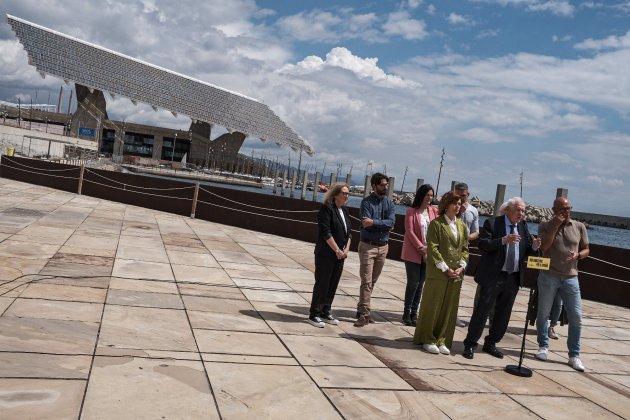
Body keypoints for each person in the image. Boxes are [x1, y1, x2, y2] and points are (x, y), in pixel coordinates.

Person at [462, 197, 540, 360]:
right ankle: (470, 344)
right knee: (482, 310)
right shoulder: (493, 223)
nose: (522, 213)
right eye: (518, 210)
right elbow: (483, 245)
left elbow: (526, 251)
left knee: (503, 314)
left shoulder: (523, 227)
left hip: (512, 277)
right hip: (493, 276)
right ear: (508, 210)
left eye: (524, 210)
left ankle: (491, 343)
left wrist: (534, 247)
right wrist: (503, 240)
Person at [534, 197, 589, 371]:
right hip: (548, 275)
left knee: (576, 317)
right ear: (554, 210)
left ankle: (574, 355)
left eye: (569, 208)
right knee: (543, 313)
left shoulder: (579, 226)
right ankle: (543, 346)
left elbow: (587, 249)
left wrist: (578, 255)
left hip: (571, 277)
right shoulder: (544, 226)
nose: (567, 212)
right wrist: (555, 226)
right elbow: (545, 248)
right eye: (563, 209)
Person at [413, 191, 469, 355]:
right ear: (446, 204)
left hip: (456, 275)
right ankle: (428, 338)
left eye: (459, 204)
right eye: (454, 203)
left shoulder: (462, 226)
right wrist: (445, 268)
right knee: (433, 305)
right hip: (438, 273)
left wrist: (461, 266)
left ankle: (442, 339)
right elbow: (433, 248)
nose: (457, 207)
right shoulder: (436, 224)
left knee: (449, 308)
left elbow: (465, 249)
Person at [307, 183, 352, 328]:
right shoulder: (327, 209)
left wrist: (345, 250)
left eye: (347, 193)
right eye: (344, 193)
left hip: (340, 256)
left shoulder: (344, 210)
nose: (346, 196)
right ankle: (314, 314)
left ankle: (325, 311)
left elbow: (349, 233)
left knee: (333, 283)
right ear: (335, 194)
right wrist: (337, 250)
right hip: (326, 254)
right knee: (322, 283)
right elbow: (326, 232)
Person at [354, 172, 396, 327]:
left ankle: (361, 308)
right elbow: (365, 223)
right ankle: (365, 314)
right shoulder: (366, 202)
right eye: (382, 185)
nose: (385, 187)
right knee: (366, 280)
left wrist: (374, 222)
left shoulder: (390, 204)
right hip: (367, 246)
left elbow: (391, 223)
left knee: (373, 281)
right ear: (374, 186)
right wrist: (381, 223)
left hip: (383, 247)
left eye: (386, 184)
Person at [401, 184, 438, 326]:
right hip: (413, 253)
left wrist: (429, 250)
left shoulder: (433, 211)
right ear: (421, 195)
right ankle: (406, 312)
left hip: (428, 254)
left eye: (431, 195)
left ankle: (414, 313)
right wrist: (421, 248)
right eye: (427, 195)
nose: (430, 198)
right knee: (413, 283)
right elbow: (409, 231)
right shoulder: (411, 211)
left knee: (421, 284)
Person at [454, 182, 479, 328]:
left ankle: (454, 314)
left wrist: (466, 237)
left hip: (463, 250)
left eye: (463, 196)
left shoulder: (473, 211)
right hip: (449, 248)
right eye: (457, 195)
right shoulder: (451, 208)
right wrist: (459, 212)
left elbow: (476, 232)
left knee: (458, 284)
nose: (461, 199)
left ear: (468, 194)